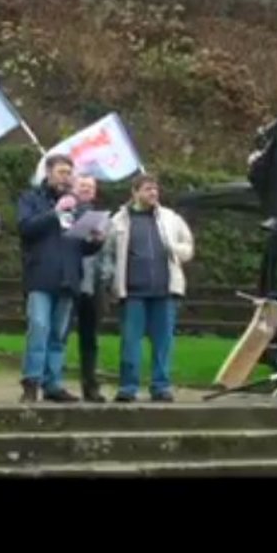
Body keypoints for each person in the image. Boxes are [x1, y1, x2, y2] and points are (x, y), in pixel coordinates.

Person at [17, 155, 104, 402]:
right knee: (39, 328)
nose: (66, 178)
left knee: (58, 334)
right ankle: (31, 381)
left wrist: (95, 241)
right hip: (41, 274)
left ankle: (53, 383)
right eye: (61, 172)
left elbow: (80, 246)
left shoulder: (78, 206)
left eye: (69, 173)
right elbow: (25, 228)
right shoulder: (31, 199)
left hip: (69, 277)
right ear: (48, 173)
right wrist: (54, 212)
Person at [101, 173, 194, 402]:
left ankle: (161, 386)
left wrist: (175, 249)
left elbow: (188, 246)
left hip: (164, 290)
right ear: (135, 193)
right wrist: (109, 280)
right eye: (147, 189)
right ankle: (128, 387)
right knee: (130, 342)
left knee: (163, 342)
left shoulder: (170, 218)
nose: (153, 193)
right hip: (132, 291)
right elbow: (108, 253)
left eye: (155, 189)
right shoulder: (119, 220)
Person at [72, 173, 108, 402]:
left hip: (94, 284)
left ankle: (90, 384)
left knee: (90, 338)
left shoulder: (101, 218)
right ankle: (50, 381)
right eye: (83, 186)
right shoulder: (65, 212)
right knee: (58, 334)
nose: (87, 190)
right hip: (70, 280)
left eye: (90, 187)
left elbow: (108, 252)